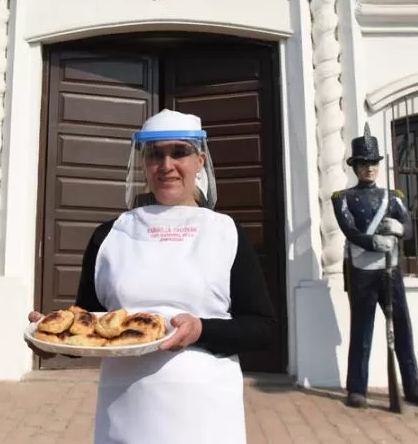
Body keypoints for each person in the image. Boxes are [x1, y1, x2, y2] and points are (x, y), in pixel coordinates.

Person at [26, 109, 276, 443]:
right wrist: (53, 341)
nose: (166, 165)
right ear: (143, 164)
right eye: (155, 154)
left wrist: (202, 329)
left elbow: (262, 327)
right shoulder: (109, 235)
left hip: (205, 410)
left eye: (179, 152)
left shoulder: (226, 233)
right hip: (128, 408)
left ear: (200, 159)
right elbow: (90, 327)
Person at [332, 122, 418, 410]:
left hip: (390, 270)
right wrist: (372, 243)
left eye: (373, 163)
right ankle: (357, 387)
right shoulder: (343, 199)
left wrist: (400, 229)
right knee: (362, 329)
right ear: (355, 167)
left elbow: (409, 227)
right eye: (364, 163)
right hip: (362, 270)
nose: (369, 169)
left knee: (403, 328)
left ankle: (413, 386)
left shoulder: (393, 198)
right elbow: (350, 230)